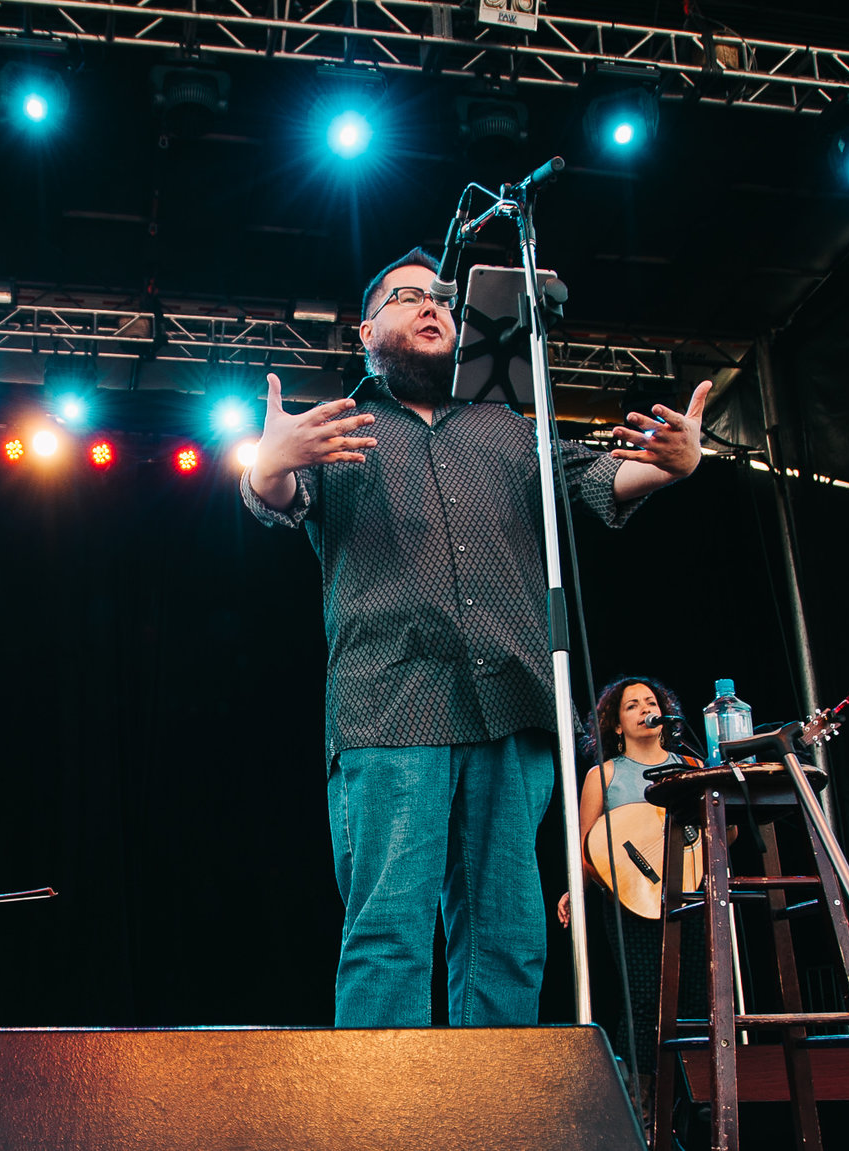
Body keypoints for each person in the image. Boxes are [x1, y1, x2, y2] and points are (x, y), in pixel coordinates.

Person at [243, 247, 708, 1027]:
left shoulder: (506, 427)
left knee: (509, 937)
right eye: (406, 296)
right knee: (389, 932)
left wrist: (670, 467)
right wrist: (268, 464)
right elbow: (279, 494)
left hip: (513, 705)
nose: (430, 306)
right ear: (366, 329)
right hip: (392, 709)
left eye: (441, 299)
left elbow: (597, 478)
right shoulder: (342, 427)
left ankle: (494, 1129)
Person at [558, 676, 702, 1079]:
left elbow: (724, 836)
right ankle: (640, 1106)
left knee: (695, 998)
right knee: (642, 1001)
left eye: (650, 702)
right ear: (616, 724)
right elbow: (589, 848)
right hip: (629, 900)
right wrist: (577, 890)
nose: (644, 709)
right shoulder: (602, 776)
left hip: (689, 896)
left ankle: (698, 1103)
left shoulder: (691, 767)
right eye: (632, 705)